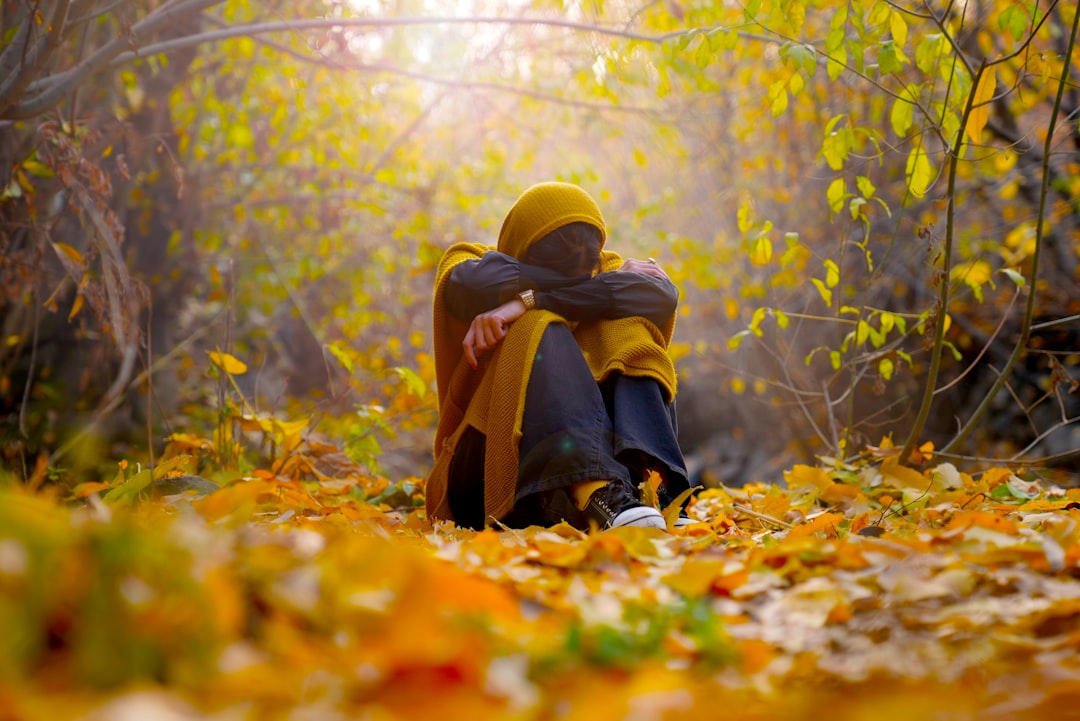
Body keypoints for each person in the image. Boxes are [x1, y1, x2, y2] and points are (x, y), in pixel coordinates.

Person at [426, 181, 693, 531]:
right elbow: (474, 285)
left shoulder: (606, 271)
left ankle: (655, 490)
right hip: (483, 474)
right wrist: (547, 300)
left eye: (590, 264)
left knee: (628, 329)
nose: (587, 272)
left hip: (593, 491)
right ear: (522, 242)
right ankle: (595, 489)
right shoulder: (471, 265)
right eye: (566, 270)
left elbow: (662, 295)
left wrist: (525, 300)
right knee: (539, 325)